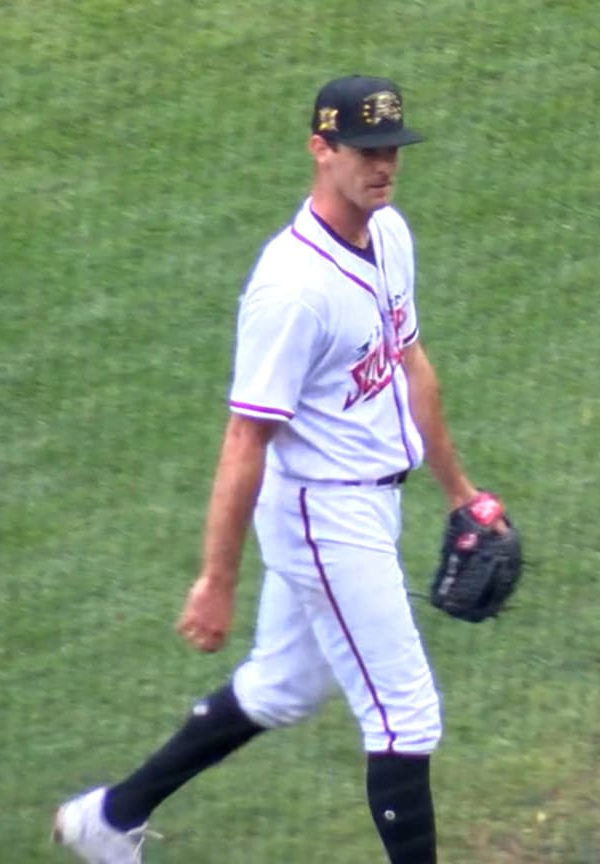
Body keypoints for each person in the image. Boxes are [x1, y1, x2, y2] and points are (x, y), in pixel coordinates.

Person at [52, 74, 502, 864]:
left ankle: (109, 819)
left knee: (283, 688)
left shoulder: (390, 234)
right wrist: (216, 578)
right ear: (320, 149)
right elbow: (243, 441)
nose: (383, 166)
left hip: (370, 502)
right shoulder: (291, 291)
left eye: (392, 149)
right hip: (322, 515)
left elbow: (411, 364)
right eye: (365, 150)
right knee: (405, 713)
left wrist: (460, 493)